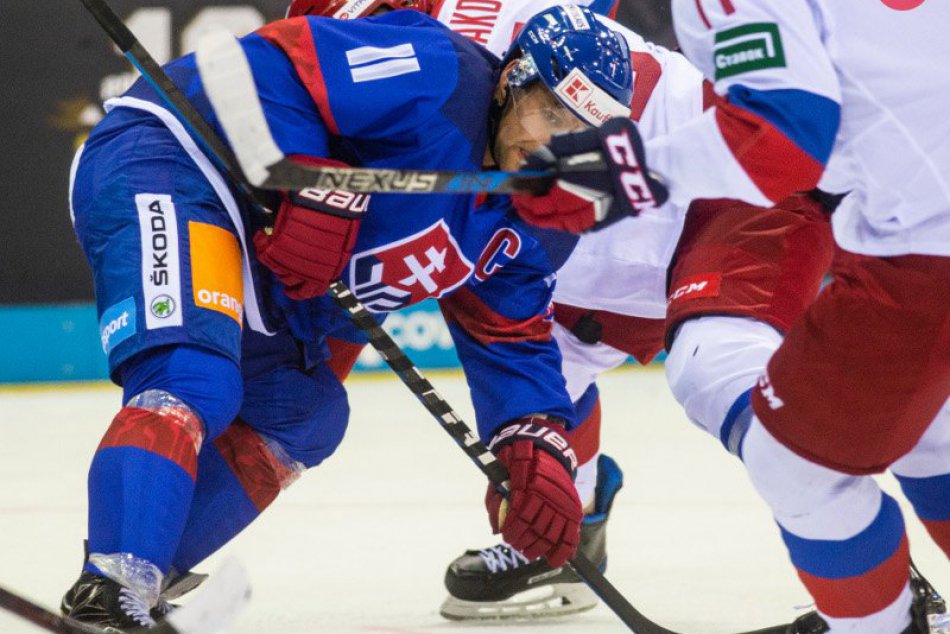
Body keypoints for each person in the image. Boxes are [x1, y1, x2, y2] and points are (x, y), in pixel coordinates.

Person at [62, 7, 645, 629]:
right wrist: (304, 174)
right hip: (176, 159)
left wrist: (532, 439)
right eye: (549, 113)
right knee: (194, 376)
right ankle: (114, 585)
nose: (550, 144)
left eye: (577, 130)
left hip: (264, 262)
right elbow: (241, 68)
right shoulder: (437, 72)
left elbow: (508, 331)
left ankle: (145, 582)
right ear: (509, 81)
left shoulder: (542, 216)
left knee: (303, 412)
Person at [509, 2, 950, 633]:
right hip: (906, 214)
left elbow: (786, 133)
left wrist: (621, 173)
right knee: (932, 431)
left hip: (922, 237)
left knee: (795, 467)